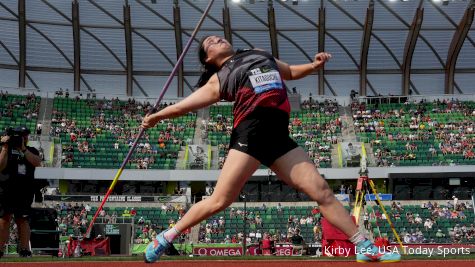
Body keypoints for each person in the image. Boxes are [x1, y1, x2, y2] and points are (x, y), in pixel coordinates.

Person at [141, 35, 400, 263]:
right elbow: (182, 106)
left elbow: (290, 72)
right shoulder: (219, 79)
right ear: (208, 59)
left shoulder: (259, 53)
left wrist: (314, 65)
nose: (217, 39)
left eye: (218, 36)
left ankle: (363, 246)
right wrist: (156, 117)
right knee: (220, 200)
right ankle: (166, 237)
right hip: (251, 134)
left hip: (279, 136)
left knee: (321, 190)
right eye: (210, 42)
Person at [0, 126, 42, 258]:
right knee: (4, 219)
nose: (24, 138)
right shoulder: (5, 148)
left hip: (24, 191)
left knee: (22, 220)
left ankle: (24, 250)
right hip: (5, 190)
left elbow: (37, 162)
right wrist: (5, 147)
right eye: (21, 136)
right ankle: (0, 249)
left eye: (25, 136)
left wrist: (23, 149)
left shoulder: (31, 150)